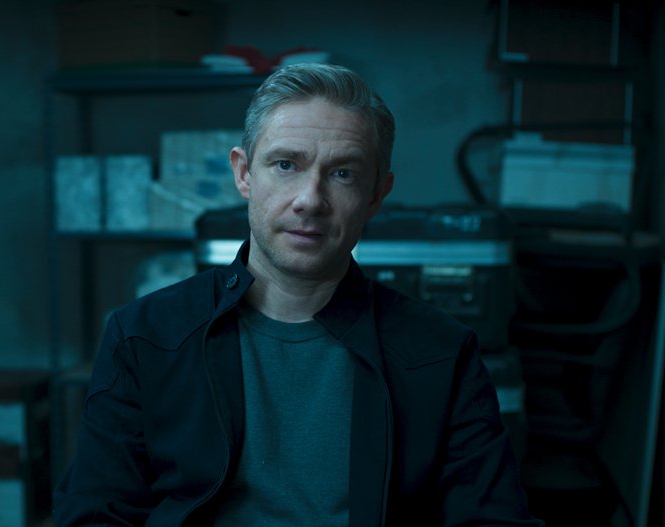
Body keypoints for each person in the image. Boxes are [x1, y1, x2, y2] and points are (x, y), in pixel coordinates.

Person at [53, 62, 542, 526]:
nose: (310, 199)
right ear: (244, 173)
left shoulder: (441, 354)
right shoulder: (143, 336)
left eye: (343, 173)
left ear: (376, 194)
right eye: (286, 164)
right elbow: (96, 514)